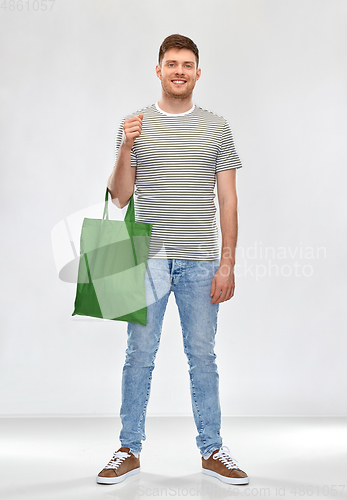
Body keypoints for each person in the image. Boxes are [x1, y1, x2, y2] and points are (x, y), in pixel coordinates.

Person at [96, 34, 249, 486]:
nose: (179, 70)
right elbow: (120, 197)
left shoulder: (217, 127)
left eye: (187, 64)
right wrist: (126, 147)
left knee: (202, 356)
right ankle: (128, 449)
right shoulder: (134, 123)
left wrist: (228, 263)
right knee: (139, 355)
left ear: (197, 73)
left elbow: (228, 200)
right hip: (147, 258)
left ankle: (212, 450)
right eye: (171, 63)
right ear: (158, 70)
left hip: (202, 259)